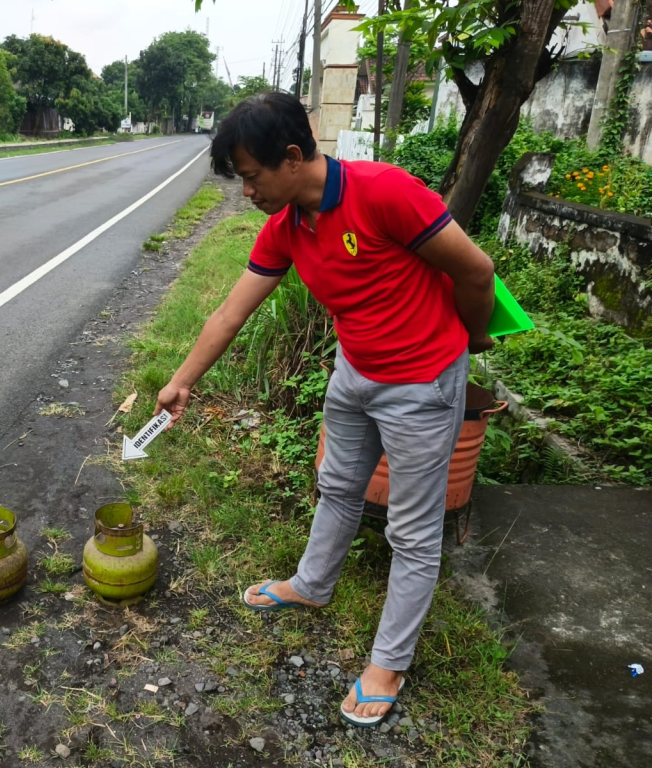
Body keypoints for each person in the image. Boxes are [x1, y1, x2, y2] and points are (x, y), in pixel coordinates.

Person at [154, 92, 495, 728]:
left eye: (252, 178)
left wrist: (471, 340)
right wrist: (182, 381)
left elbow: (477, 271)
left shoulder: (386, 193)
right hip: (355, 373)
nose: (246, 192)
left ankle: (389, 662)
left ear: (291, 157)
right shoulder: (287, 225)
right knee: (336, 486)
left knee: (412, 531)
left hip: (422, 382)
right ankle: (311, 586)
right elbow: (232, 311)